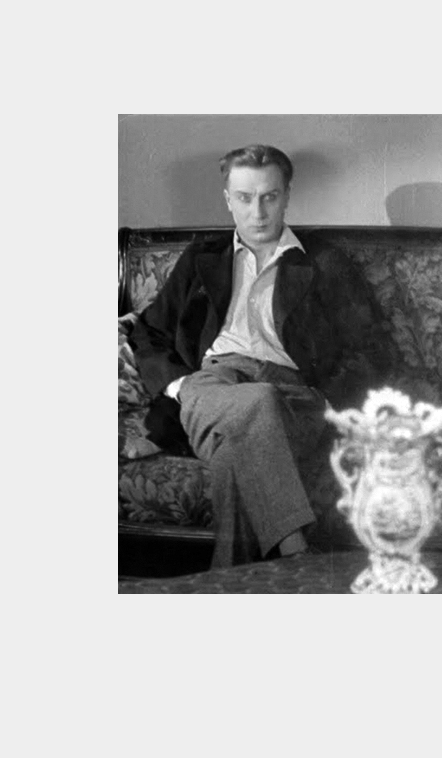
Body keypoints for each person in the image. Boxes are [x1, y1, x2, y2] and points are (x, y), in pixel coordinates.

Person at [129, 144, 384, 567]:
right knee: (252, 405)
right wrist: (180, 386)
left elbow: (372, 349)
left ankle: (242, 580)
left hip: (292, 396)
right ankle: (296, 553)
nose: (258, 212)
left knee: (239, 446)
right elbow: (149, 331)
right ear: (228, 199)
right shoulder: (202, 259)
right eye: (245, 198)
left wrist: (327, 400)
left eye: (269, 197)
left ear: (286, 196)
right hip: (213, 385)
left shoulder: (324, 262)